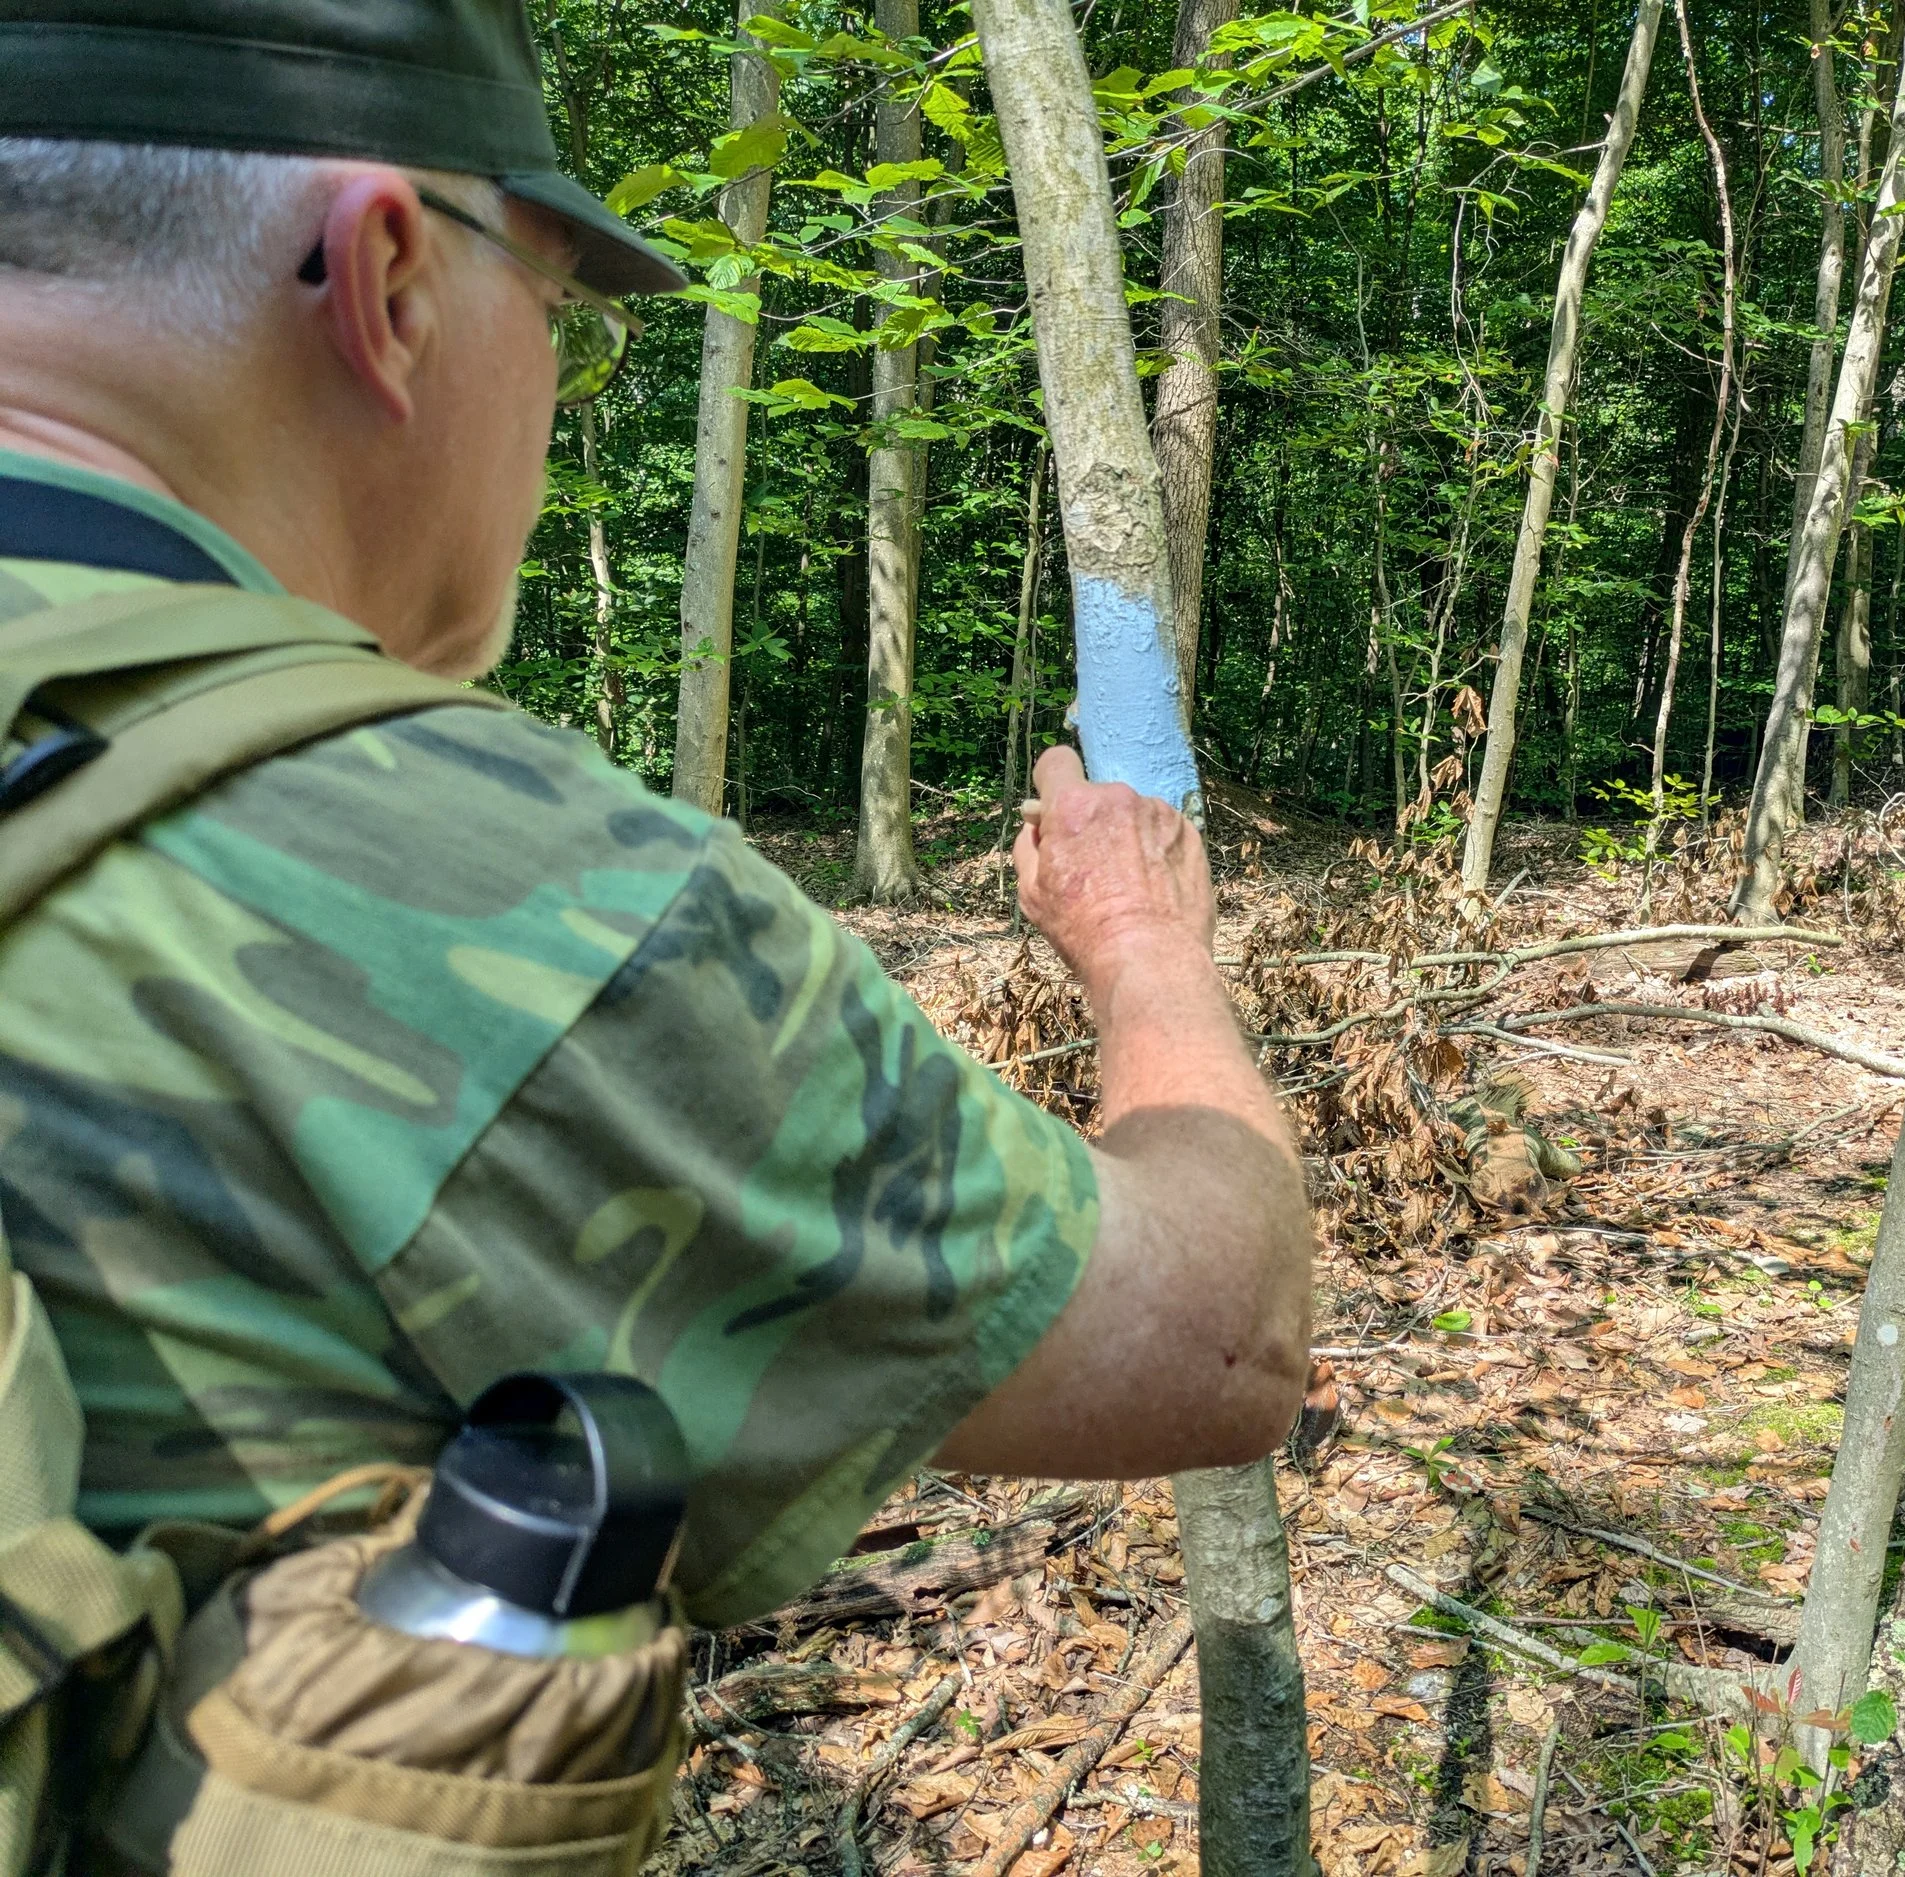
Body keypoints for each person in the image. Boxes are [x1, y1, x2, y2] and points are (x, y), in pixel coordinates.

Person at [0, 0, 1310, 1641]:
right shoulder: (472, 882)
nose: (561, 384)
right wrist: (1141, 943)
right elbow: (1215, 1336)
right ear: (390, 278)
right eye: (560, 307)